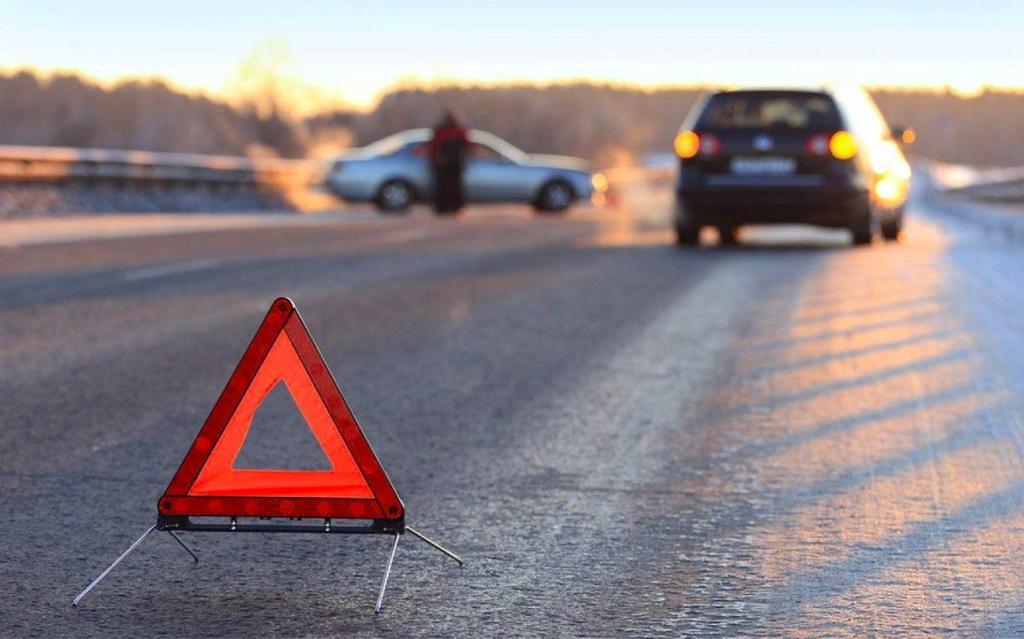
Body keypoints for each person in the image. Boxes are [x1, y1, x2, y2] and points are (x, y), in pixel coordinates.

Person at [428, 109, 469, 214]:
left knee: (444, 187)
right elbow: (467, 146)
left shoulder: (441, 131)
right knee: (452, 187)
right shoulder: (459, 130)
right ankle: (453, 207)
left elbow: (433, 147)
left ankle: (445, 207)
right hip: (453, 164)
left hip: (446, 165)